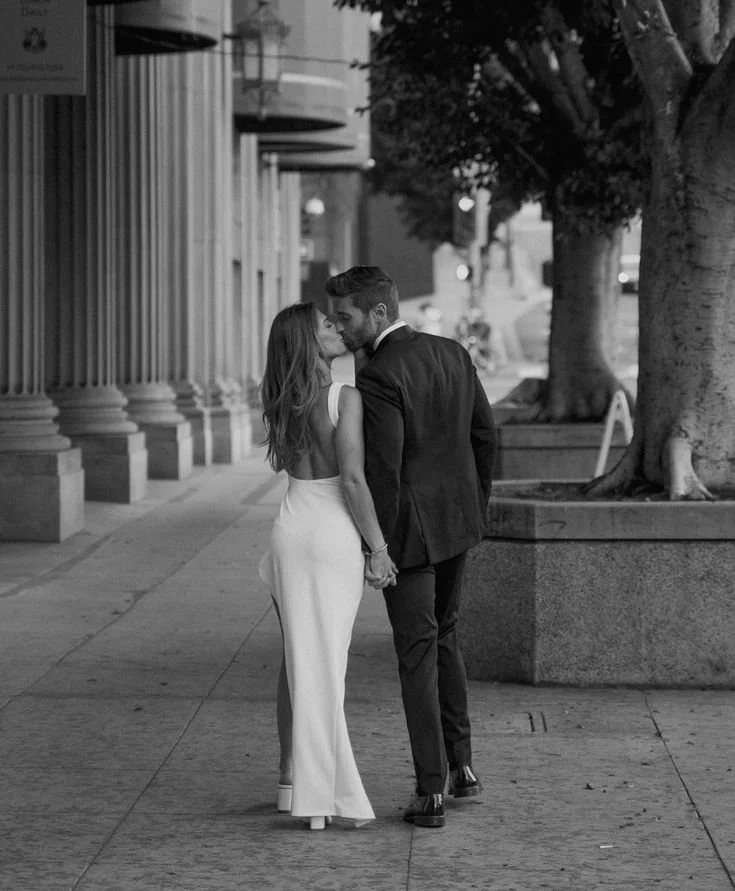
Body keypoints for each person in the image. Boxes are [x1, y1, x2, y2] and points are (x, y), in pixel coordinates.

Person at [326, 266, 497, 829]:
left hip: (412, 535)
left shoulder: (379, 376)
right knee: (445, 635)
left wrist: (379, 547)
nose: (339, 327)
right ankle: (462, 767)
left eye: (346, 316)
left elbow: (384, 471)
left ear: (377, 313)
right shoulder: (452, 352)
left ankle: (430, 793)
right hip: (458, 522)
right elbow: (484, 436)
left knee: (417, 653)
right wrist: (476, 504)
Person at [257, 302, 397, 831]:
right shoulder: (346, 397)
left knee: (302, 661)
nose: (339, 330)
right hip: (331, 532)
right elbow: (354, 481)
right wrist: (378, 547)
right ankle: (327, 797)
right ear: (309, 343)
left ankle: (298, 784)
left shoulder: (282, 400)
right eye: (327, 327)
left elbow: (285, 465)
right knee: (325, 666)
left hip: (291, 528)